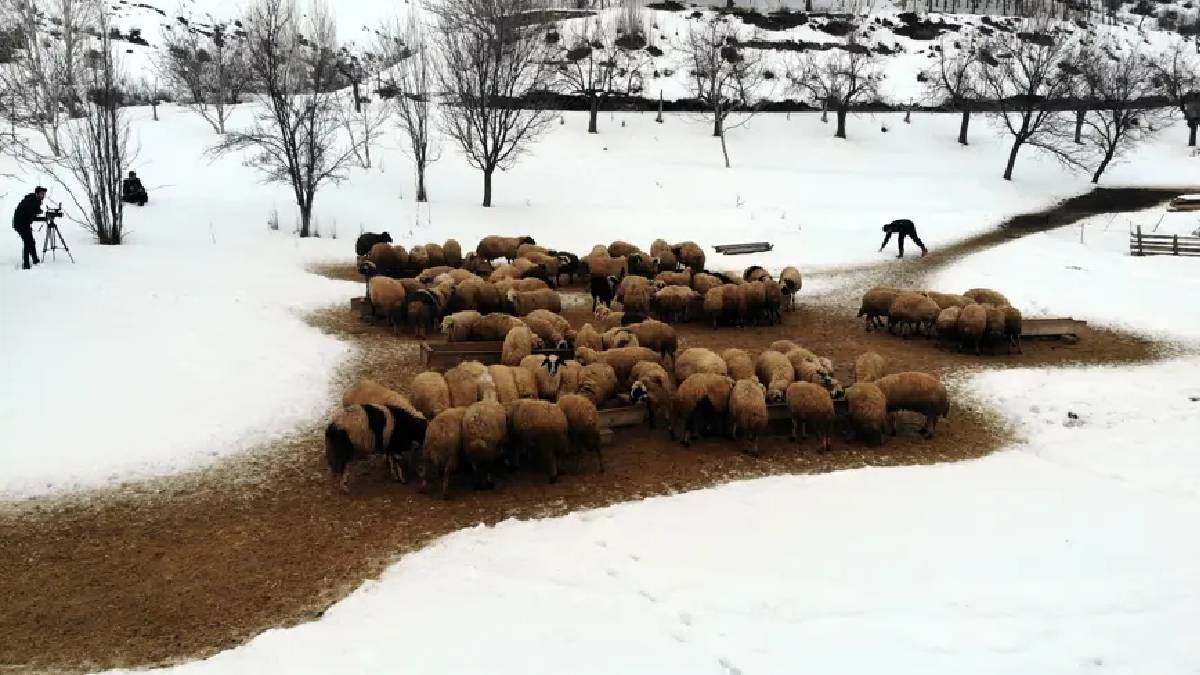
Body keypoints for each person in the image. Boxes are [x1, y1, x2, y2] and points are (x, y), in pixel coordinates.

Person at [12, 186, 47, 270]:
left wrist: (39, 212)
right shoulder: (30, 200)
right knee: (28, 242)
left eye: (44, 194)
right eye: (42, 194)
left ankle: (35, 260)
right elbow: (31, 213)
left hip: (25, 223)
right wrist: (44, 218)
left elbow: (35, 212)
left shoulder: (37, 200)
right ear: (37, 193)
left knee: (31, 241)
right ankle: (26, 264)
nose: (43, 195)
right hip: (20, 224)